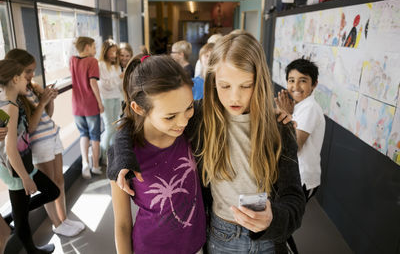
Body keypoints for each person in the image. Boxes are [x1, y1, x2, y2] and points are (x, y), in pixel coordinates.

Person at [109, 32, 305, 254]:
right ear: (212, 80)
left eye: (245, 86)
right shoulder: (200, 117)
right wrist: (122, 156)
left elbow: (294, 199)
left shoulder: (279, 126)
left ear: (258, 82)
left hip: (268, 240)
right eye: (225, 85)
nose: (234, 98)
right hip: (221, 236)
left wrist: (273, 218)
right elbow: (137, 123)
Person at [108, 55, 206, 254]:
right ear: (139, 108)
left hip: (197, 245)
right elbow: (122, 224)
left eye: (188, 108)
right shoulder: (123, 154)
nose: (182, 121)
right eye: (170, 117)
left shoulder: (189, 131)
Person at [5, 49, 84, 236]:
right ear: (15, 75)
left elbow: (46, 115)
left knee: (59, 181)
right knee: (52, 186)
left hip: (51, 136)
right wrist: (42, 103)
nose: (32, 75)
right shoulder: (14, 98)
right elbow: (30, 128)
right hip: (39, 143)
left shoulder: (30, 89)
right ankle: (57, 224)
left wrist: (49, 100)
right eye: (28, 72)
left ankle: (63, 219)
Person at [0, 59, 60, 254]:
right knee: (45, 197)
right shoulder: (10, 106)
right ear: (15, 78)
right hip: (15, 167)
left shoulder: (9, 102)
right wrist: (25, 177)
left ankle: (14, 218)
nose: (28, 80)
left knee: (51, 192)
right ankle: (31, 249)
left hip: (20, 163)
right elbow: (9, 149)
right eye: (25, 77)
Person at [275, 58, 325, 254]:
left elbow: (293, 146)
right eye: (291, 80)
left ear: (314, 84)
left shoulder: (310, 108)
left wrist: (284, 114)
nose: (295, 86)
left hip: (302, 178)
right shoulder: (299, 105)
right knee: (282, 228)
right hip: (293, 176)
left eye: (303, 80)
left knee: (282, 229)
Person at [70, 36, 104, 179]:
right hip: (90, 105)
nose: (96, 50)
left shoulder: (72, 60)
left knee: (83, 134)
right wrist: (100, 103)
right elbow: (93, 83)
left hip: (76, 105)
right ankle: (95, 166)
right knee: (95, 136)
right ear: (87, 47)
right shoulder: (92, 61)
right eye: (94, 47)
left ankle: (85, 163)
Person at [98, 39, 123, 166]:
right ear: (105, 52)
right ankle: (102, 156)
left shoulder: (116, 66)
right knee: (109, 128)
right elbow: (105, 85)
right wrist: (118, 78)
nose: (114, 54)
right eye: (111, 51)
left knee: (115, 127)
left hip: (116, 97)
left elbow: (117, 86)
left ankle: (111, 155)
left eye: (115, 51)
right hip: (106, 98)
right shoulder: (101, 65)